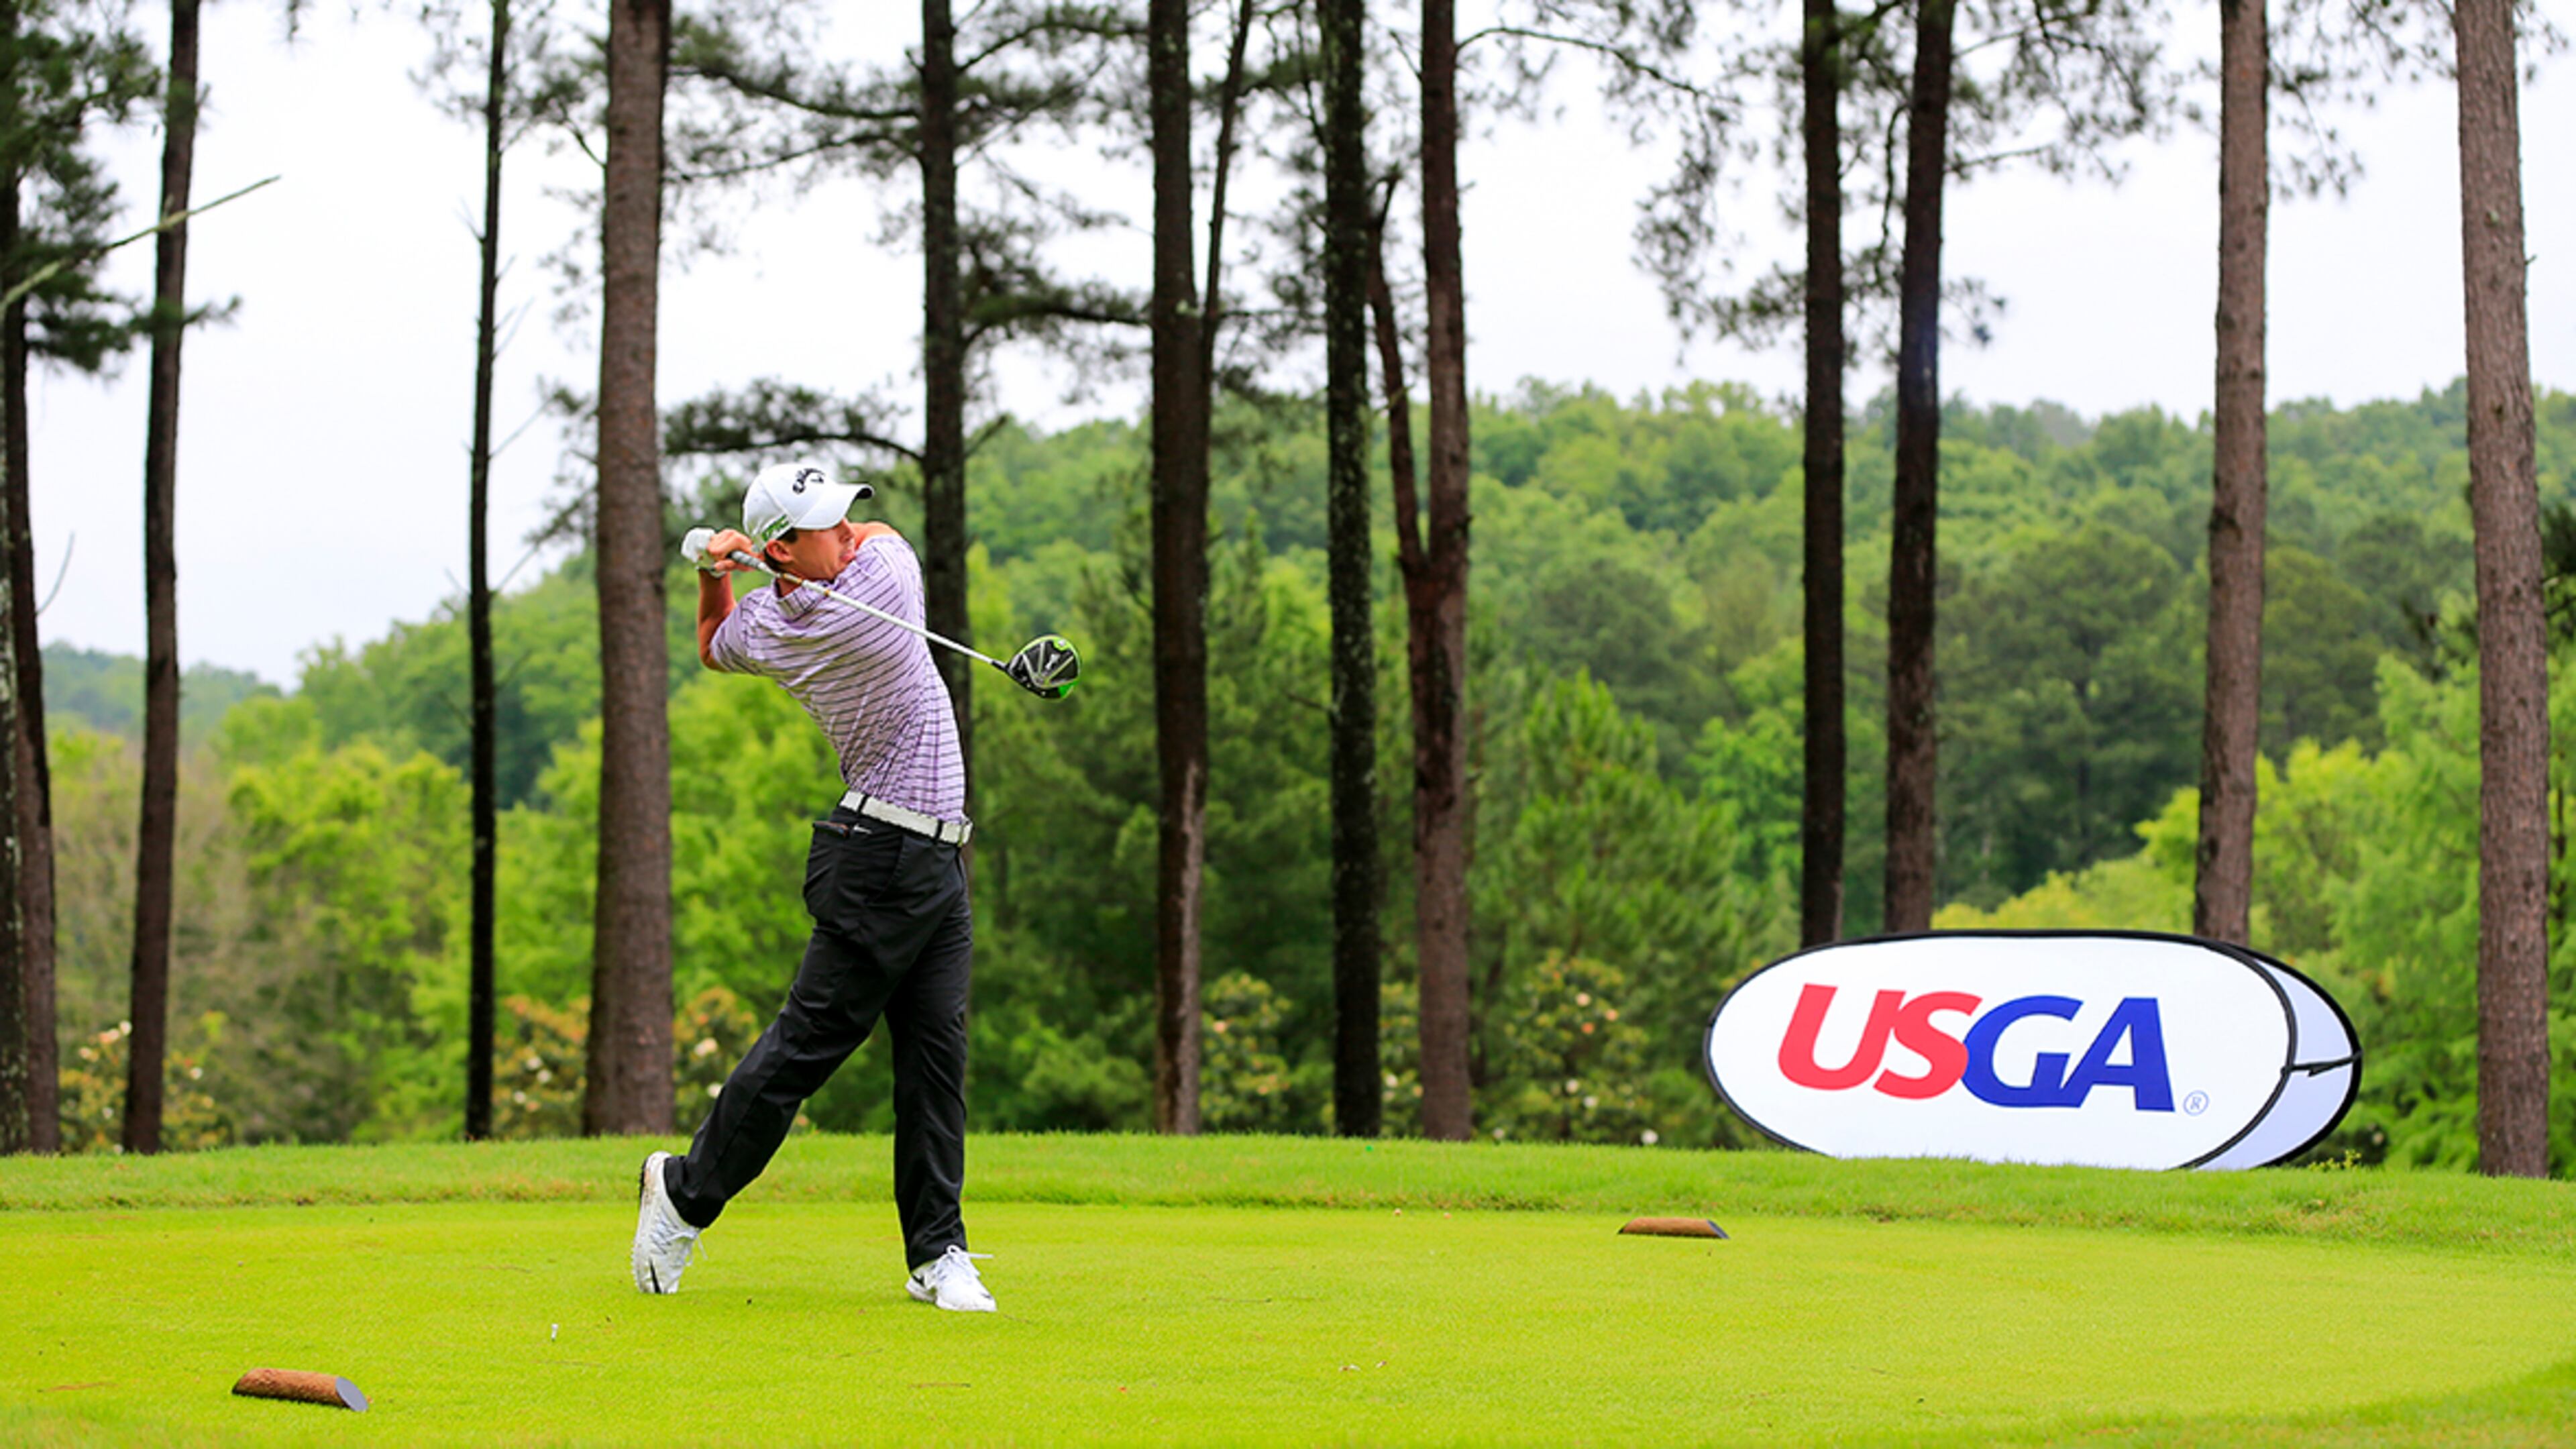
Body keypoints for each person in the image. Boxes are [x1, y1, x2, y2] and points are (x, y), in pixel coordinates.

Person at [629, 459, 993, 1313]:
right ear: (790, 547)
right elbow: (887, 539)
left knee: (937, 1062)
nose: (847, 529)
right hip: (882, 863)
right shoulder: (882, 595)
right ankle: (682, 1193)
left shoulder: (769, 624)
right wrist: (755, 562)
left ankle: (937, 1251)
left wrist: (715, 574)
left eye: (840, 517)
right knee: (806, 1050)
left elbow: (715, 645)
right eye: (826, 522)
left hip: (932, 861)